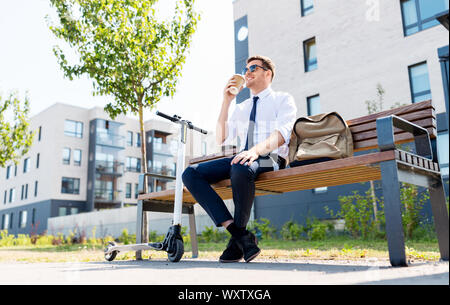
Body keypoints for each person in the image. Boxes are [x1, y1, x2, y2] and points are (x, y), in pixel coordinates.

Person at [182, 55, 297, 263]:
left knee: (241, 167)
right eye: (246, 69)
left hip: (270, 156)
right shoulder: (241, 107)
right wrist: (226, 101)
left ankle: (238, 241)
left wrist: (255, 151)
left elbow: (282, 134)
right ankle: (240, 236)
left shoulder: (283, 99)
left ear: (267, 73)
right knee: (190, 174)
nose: (247, 72)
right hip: (243, 157)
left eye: (253, 67)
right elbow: (221, 137)